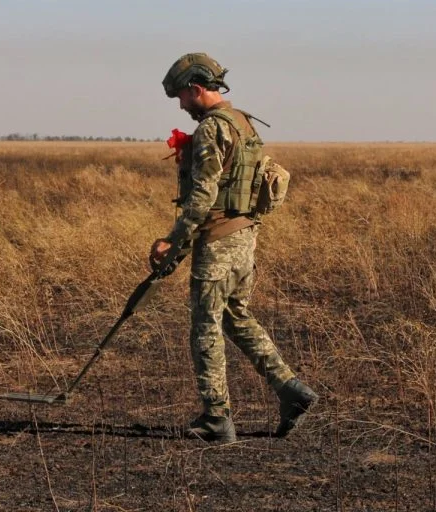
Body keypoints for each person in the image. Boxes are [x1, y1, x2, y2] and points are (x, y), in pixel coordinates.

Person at [150, 53, 318, 443]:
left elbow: (203, 196)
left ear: (195, 88)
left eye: (180, 96)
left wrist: (172, 241)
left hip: (220, 241)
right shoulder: (243, 122)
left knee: (205, 328)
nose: (180, 105)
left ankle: (216, 418)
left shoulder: (212, 128)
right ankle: (291, 390)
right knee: (236, 317)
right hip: (245, 239)